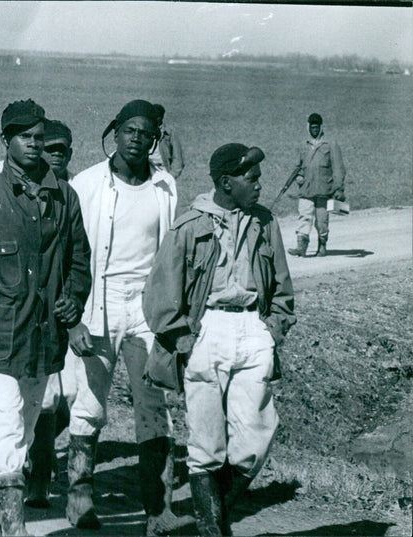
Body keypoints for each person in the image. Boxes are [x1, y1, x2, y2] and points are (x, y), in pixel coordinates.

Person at [0, 99, 92, 536]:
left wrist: (73, 299)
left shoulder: (64, 198)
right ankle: (13, 531)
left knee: (21, 435)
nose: (34, 145)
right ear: (6, 142)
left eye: (40, 138)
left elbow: (78, 261)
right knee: (7, 430)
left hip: (43, 340)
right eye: (25, 137)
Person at [144, 143, 295, 536]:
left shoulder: (265, 223)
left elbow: (282, 291)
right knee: (206, 446)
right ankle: (212, 530)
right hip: (205, 331)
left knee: (255, 439)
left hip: (252, 330)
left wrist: (272, 330)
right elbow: (160, 293)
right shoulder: (190, 226)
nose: (259, 184)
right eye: (251, 178)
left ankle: (214, 516)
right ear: (226, 183)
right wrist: (181, 339)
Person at [56, 100, 180, 534]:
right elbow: (70, 252)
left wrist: (170, 317)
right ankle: (80, 496)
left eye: (146, 134)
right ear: (115, 130)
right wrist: (73, 317)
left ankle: (157, 506)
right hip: (98, 302)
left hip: (145, 306)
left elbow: (167, 257)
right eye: (129, 130)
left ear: (155, 139)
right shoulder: (88, 183)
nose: (136, 139)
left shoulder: (165, 187)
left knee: (154, 403)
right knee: (88, 403)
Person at [25, 118, 76, 509]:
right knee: (41, 397)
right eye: (49, 149)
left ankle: (36, 457)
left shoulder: (75, 194)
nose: (56, 156)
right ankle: (38, 474)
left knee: (66, 394)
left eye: (62, 150)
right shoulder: (26, 192)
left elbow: (84, 257)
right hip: (29, 313)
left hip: (69, 311)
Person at [287, 113, 346, 258]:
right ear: (308, 127)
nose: (314, 129)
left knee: (322, 221)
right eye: (312, 127)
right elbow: (298, 166)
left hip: (324, 190)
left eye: (317, 127)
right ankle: (301, 247)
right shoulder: (303, 145)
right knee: (304, 216)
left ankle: (322, 245)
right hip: (306, 189)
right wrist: (299, 177)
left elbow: (338, 168)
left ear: (321, 127)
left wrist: (338, 188)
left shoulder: (331, 144)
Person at [149, 104, 184, 179]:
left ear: (161, 117)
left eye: (157, 116)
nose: (155, 118)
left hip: (163, 170)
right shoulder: (145, 131)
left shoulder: (169, 133)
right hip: (146, 171)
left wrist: (172, 175)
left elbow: (177, 157)